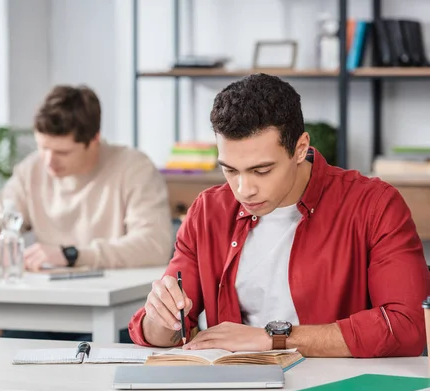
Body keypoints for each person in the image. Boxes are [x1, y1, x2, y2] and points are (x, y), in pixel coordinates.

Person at [128, 73, 430, 358]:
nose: (244, 190)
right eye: (230, 170)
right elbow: (159, 334)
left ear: (300, 149)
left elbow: (407, 326)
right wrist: (161, 316)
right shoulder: (208, 211)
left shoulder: (374, 205)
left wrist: (274, 338)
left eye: (262, 170)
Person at [0, 85, 172, 341]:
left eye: (62, 152)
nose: (49, 161)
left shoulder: (134, 168)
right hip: (49, 308)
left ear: (94, 139)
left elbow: (154, 245)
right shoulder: (32, 170)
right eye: (42, 147)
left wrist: (71, 254)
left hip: (116, 312)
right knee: (5, 354)